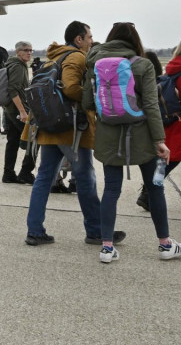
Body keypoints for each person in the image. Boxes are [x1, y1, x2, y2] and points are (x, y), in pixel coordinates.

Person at [83, 22, 181, 263]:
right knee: (155, 187)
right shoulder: (142, 64)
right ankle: (165, 244)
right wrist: (160, 140)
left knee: (111, 190)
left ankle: (107, 248)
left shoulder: (95, 63)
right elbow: (151, 105)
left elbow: (87, 102)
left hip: (108, 137)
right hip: (143, 138)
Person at [23, 21, 128, 247]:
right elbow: (71, 87)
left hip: (49, 126)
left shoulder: (54, 57)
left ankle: (35, 230)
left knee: (44, 178)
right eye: (89, 37)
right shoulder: (77, 57)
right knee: (86, 178)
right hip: (70, 130)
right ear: (78, 39)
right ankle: (96, 231)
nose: (91, 41)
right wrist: (93, 98)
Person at [137, 37, 181, 210]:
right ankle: (149, 191)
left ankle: (148, 190)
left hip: (172, 120)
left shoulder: (172, 69)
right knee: (171, 159)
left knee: (168, 159)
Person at [2, 41, 36, 184]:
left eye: (31, 50)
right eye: (25, 50)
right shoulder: (18, 66)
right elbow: (12, 90)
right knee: (33, 140)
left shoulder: (12, 64)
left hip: (10, 109)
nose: (29, 53)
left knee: (13, 141)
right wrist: (22, 112)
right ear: (18, 52)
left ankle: (8, 173)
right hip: (17, 109)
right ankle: (25, 173)